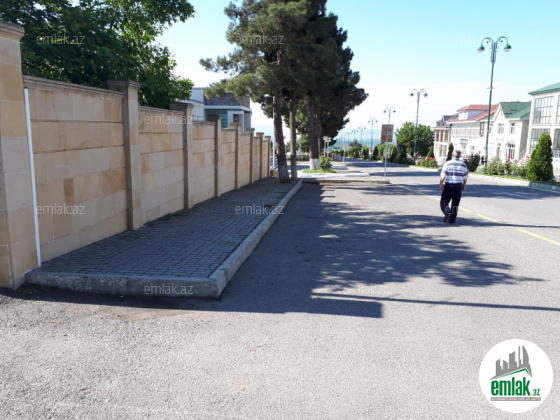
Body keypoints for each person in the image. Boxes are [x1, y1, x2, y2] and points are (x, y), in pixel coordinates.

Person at [440, 149, 468, 224]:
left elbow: (443, 175)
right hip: (458, 186)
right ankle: (452, 220)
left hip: (449, 185)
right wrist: (464, 185)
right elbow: (465, 178)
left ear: (452, 155)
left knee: (444, 201)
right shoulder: (463, 165)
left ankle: (447, 212)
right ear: (459, 156)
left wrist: (441, 184)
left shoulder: (447, 163)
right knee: (455, 203)